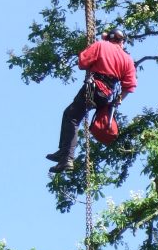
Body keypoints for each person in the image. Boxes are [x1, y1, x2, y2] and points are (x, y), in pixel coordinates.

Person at [46, 29, 137, 173]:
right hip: (106, 95)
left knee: (71, 117)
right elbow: (130, 86)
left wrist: (91, 50)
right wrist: (116, 101)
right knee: (73, 116)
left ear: (109, 38)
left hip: (94, 89)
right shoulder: (128, 59)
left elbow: (82, 63)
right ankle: (64, 152)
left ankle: (67, 158)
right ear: (122, 41)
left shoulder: (101, 45)